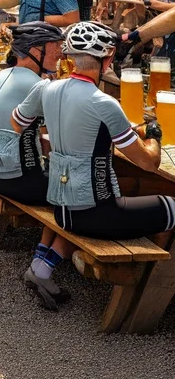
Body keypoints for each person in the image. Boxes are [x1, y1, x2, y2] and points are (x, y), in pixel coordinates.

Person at [12, 22, 175, 281]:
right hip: (99, 214)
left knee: (131, 186)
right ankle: (150, 288)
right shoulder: (104, 103)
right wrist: (154, 135)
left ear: (69, 56)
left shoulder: (47, 88)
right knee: (171, 206)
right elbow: (149, 163)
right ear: (108, 58)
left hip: (62, 210)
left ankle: (44, 267)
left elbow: (16, 121)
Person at [0, 21, 70, 309]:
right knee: (81, 196)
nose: (60, 55)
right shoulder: (39, 85)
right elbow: (60, 136)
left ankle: (41, 261)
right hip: (16, 178)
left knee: (62, 187)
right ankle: (43, 269)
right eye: (55, 49)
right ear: (35, 50)